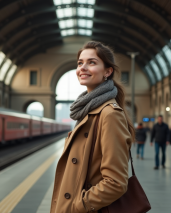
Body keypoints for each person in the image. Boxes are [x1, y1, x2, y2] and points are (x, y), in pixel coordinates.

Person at [50, 41, 134, 213]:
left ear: (108, 71)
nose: (83, 68)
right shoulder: (86, 110)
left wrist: (78, 206)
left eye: (92, 62)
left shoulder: (109, 114)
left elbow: (116, 182)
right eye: (80, 63)